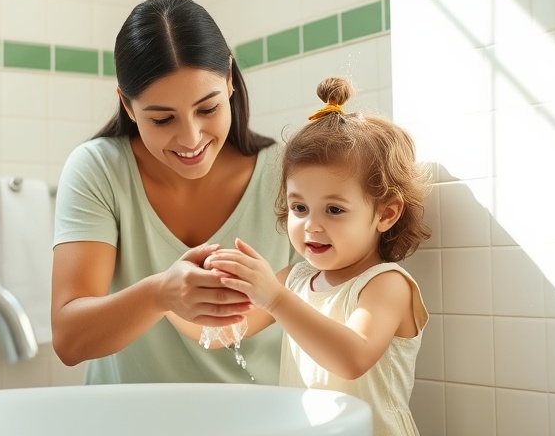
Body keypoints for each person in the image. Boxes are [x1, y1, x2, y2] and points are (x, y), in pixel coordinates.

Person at [50, 0, 297, 385]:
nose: (191, 138)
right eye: (163, 119)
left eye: (207, 109)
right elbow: (69, 339)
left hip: (261, 420)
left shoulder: (288, 172)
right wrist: (159, 294)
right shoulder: (98, 170)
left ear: (229, 80)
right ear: (128, 107)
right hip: (127, 422)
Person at [167, 77, 431, 435]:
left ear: (386, 214)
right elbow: (223, 333)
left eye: (334, 210)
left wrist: (275, 299)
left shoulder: (386, 285)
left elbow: (352, 359)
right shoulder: (294, 279)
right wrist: (164, 299)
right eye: (300, 207)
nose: (311, 226)